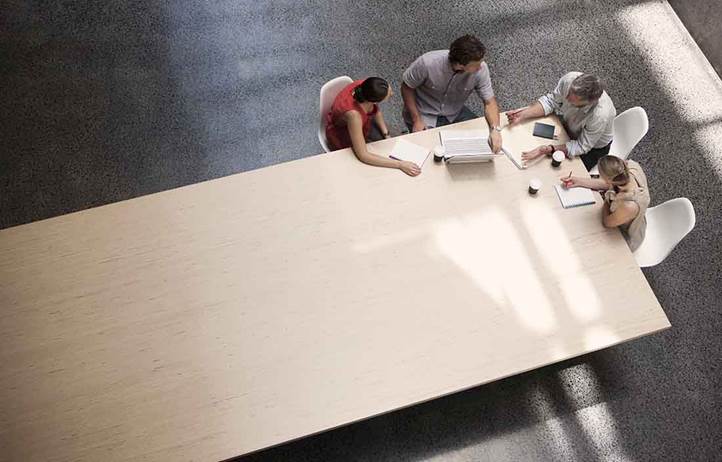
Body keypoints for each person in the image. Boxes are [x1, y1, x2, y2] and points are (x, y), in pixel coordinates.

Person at [401, 34, 503, 153]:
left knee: (482, 137)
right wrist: (416, 119)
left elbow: (490, 102)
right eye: (476, 65)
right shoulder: (427, 63)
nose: (480, 68)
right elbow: (407, 87)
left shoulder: (481, 69)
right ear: (460, 65)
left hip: (455, 112)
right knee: (427, 152)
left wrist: (495, 130)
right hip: (424, 112)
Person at [507, 72, 616, 170]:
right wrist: (523, 114)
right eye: (568, 94)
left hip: (592, 148)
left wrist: (550, 149)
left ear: (588, 103)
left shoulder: (600, 115)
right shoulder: (569, 79)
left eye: (572, 102)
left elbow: (582, 146)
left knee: (558, 173)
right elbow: (551, 102)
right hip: (570, 126)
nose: (566, 99)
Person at [326, 77, 421, 177]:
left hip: (363, 123)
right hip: (344, 135)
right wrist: (400, 164)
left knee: (391, 142)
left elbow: (375, 110)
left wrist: (386, 134)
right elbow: (363, 155)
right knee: (375, 170)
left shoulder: (366, 86)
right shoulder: (354, 116)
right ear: (374, 101)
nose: (392, 94)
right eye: (389, 95)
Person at [561, 156, 650, 251]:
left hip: (624, 233)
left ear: (607, 179)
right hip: (620, 214)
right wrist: (579, 181)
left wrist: (607, 200)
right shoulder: (628, 169)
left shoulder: (629, 205)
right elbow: (608, 185)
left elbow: (607, 222)